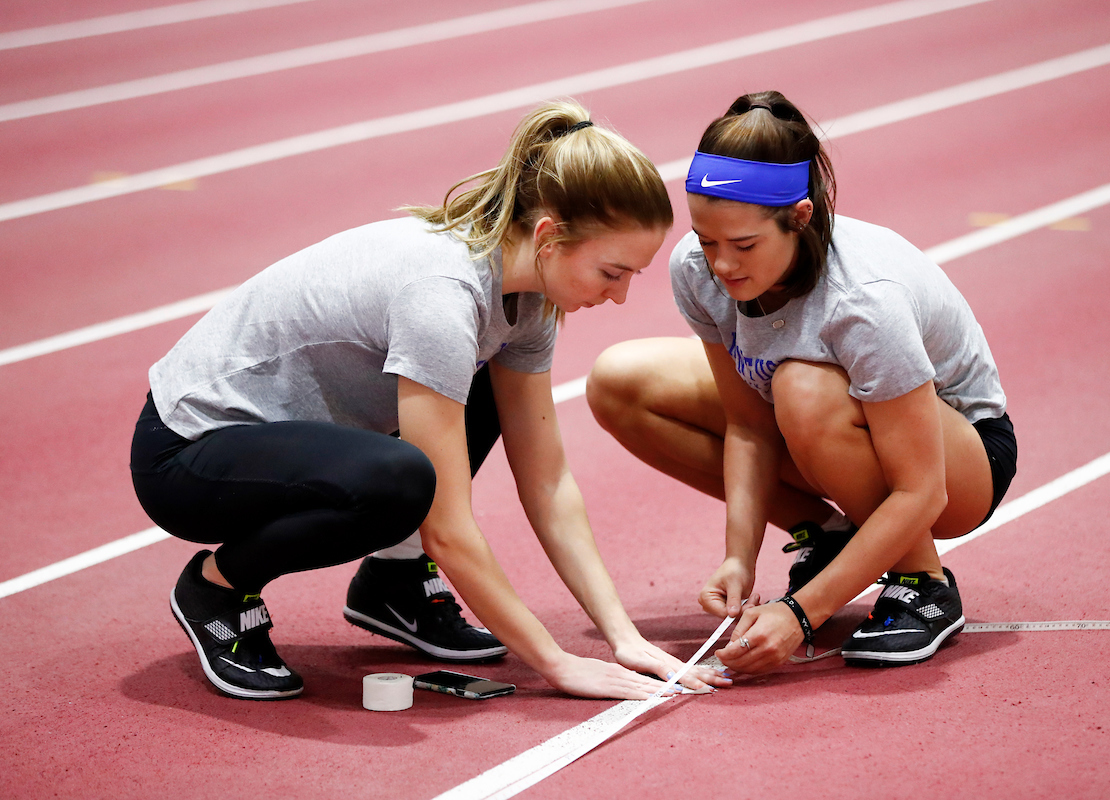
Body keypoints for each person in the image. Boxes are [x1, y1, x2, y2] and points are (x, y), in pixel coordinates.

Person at [130, 99, 730, 700]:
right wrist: (556, 663)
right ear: (548, 236)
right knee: (400, 480)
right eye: (611, 272)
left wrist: (622, 635)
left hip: (284, 441)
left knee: (479, 400)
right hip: (187, 454)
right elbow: (446, 524)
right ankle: (219, 587)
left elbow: (546, 479)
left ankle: (394, 579)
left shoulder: (526, 299)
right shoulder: (442, 297)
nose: (621, 296)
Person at [587, 91, 1017, 674]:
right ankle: (828, 534)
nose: (723, 266)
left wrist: (801, 613)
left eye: (744, 246)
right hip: (812, 413)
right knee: (619, 381)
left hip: (959, 457)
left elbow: (924, 490)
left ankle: (925, 583)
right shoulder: (698, 269)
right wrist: (739, 558)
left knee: (802, 386)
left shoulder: (863, 302)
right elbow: (747, 422)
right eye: (707, 240)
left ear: (801, 217)